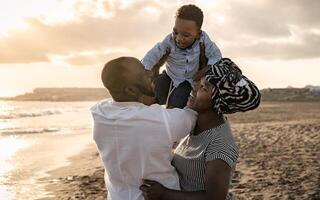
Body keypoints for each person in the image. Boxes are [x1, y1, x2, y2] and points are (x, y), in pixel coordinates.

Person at [140, 58, 261, 200]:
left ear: (218, 102)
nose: (194, 87)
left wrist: (165, 194)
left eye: (204, 87)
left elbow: (214, 197)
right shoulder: (195, 124)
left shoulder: (219, 144)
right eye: (198, 82)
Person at [90, 57, 198, 200]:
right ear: (130, 90)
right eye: (143, 74)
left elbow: (137, 107)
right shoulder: (159, 120)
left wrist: (152, 76)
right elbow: (192, 114)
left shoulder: (99, 112)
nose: (150, 74)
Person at [142, 4, 222, 108]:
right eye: (175, 32)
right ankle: (155, 113)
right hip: (169, 75)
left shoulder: (203, 40)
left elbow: (216, 55)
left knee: (176, 102)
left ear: (198, 34)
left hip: (188, 80)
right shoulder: (169, 41)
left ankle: (172, 116)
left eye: (186, 35)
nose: (179, 38)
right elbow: (153, 54)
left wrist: (205, 70)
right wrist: (145, 69)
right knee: (155, 90)